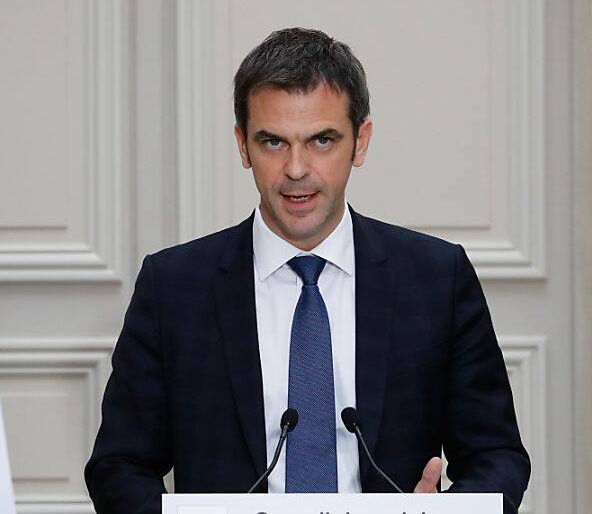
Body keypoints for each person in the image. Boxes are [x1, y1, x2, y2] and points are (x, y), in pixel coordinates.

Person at [84, 28, 530, 514]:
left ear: (361, 142)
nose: (296, 169)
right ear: (242, 145)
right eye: (273, 142)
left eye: (322, 140)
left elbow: (496, 456)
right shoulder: (173, 287)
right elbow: (119, 467)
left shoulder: (437, 278)